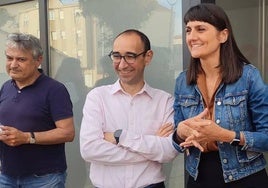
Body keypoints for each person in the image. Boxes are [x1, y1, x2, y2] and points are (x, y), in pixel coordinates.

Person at [172, 3, 268, 188]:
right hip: (198, 177)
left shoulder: (248, 77)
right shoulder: (182, 81)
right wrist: (180, 133)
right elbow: (177, 137)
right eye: (188, 30)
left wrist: (224, 135)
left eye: (201, 29)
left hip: (246, 178)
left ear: (223, 35)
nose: (192, 37)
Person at [80, 29, 178, 188]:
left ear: (148, 57)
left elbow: (168, 152)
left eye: (130, 56)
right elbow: (89, 149)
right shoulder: (97, 97)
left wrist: (120, 137)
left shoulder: (164, 101)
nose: (122, 64)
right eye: (117, 56)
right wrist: (150, 149)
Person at [0, 33, 75, 188]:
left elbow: (68, 133)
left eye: (21, 59)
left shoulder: (55, 90)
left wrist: (27, 137)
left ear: (38, 60)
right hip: (6, 176)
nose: (13, 64)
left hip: (44, 179)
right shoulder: (6, 87)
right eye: (9, 58)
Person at [54, 57, 89, 188]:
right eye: (78, 69)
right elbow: (72, 113)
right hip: (74, 135)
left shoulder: (63, 84)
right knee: (76, 173)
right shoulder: (68, 85)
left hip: (72, 135)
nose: (80, 72)